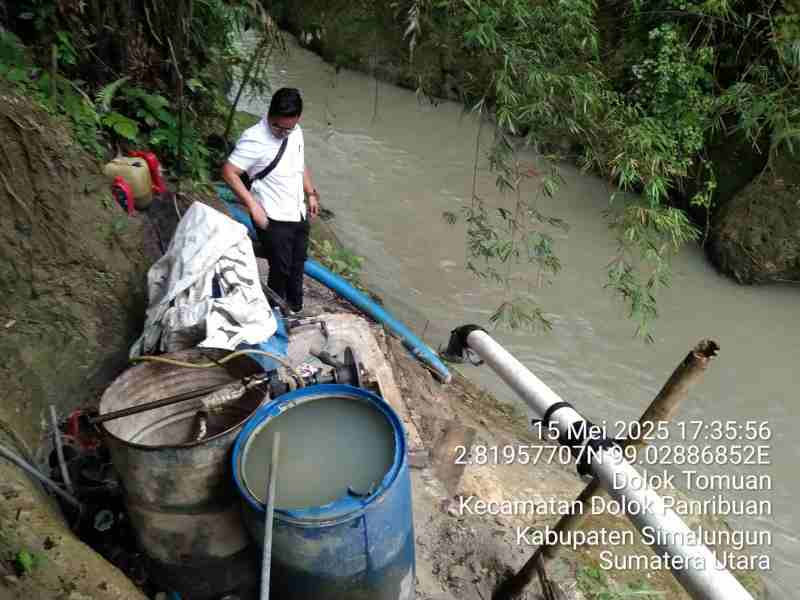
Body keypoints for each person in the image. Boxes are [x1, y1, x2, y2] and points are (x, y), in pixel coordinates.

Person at [221, 87, 320, 314]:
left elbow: (299, 163)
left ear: (298, 119)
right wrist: (252, 205)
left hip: (297, 211)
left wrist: (311, 193)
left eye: (288, 128)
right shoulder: (254, 139)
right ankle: (271, 312)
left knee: (297, 265)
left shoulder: (295, 132)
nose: (282, 133)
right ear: (270, 114)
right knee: (280, 269)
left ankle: (294, 309)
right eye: (278, 127)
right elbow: (228, 172)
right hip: (272, 215)